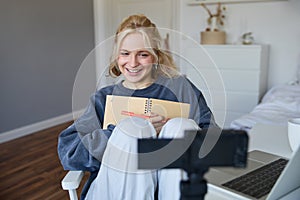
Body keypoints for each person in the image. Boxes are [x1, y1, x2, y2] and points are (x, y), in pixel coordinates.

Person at [58, 14, 217, 200]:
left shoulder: (181, 88)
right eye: (125, 53)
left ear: (156, 55)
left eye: (143, 54)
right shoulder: (104, 98)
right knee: (133, 130)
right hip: (115, 190)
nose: (132, 63)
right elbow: (68, 152)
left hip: (171, 190)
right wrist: (118, 135)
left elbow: (213, 139)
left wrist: (166, 138)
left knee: (181, 128)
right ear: (116, 55)